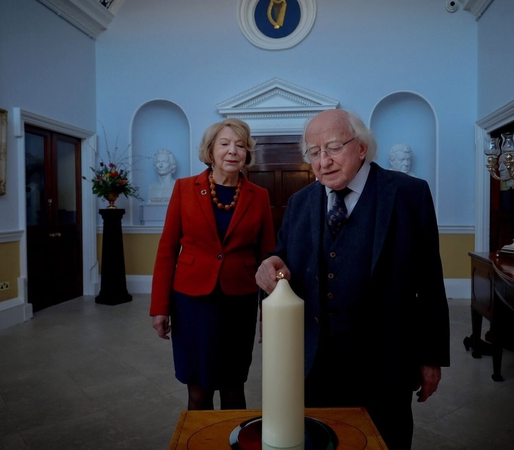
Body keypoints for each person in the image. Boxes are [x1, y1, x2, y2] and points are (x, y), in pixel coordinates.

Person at [255, 109, 449, 450]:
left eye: (333, 148)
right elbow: (283, 258)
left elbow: (430, 282)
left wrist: (431, 358)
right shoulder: (300, 202)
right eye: (314, 153)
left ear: (361, 147)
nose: (323, 161)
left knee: (386, 442)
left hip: (385, 363)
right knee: (321, 441)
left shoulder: (408, 194)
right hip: (315, 364)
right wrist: (271, 263)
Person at [151, 118, 275, 410]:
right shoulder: (184, 189)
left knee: (234, 389)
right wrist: (160, 307)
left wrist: (268, 314)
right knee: (198, 391)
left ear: (247, 153)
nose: (233, 151)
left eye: (240, 145)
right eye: (225, 144)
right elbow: (167, 250)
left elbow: (269, 257)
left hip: (239, 303)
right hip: (192, 304)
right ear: (211, 150)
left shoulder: (259, 197)